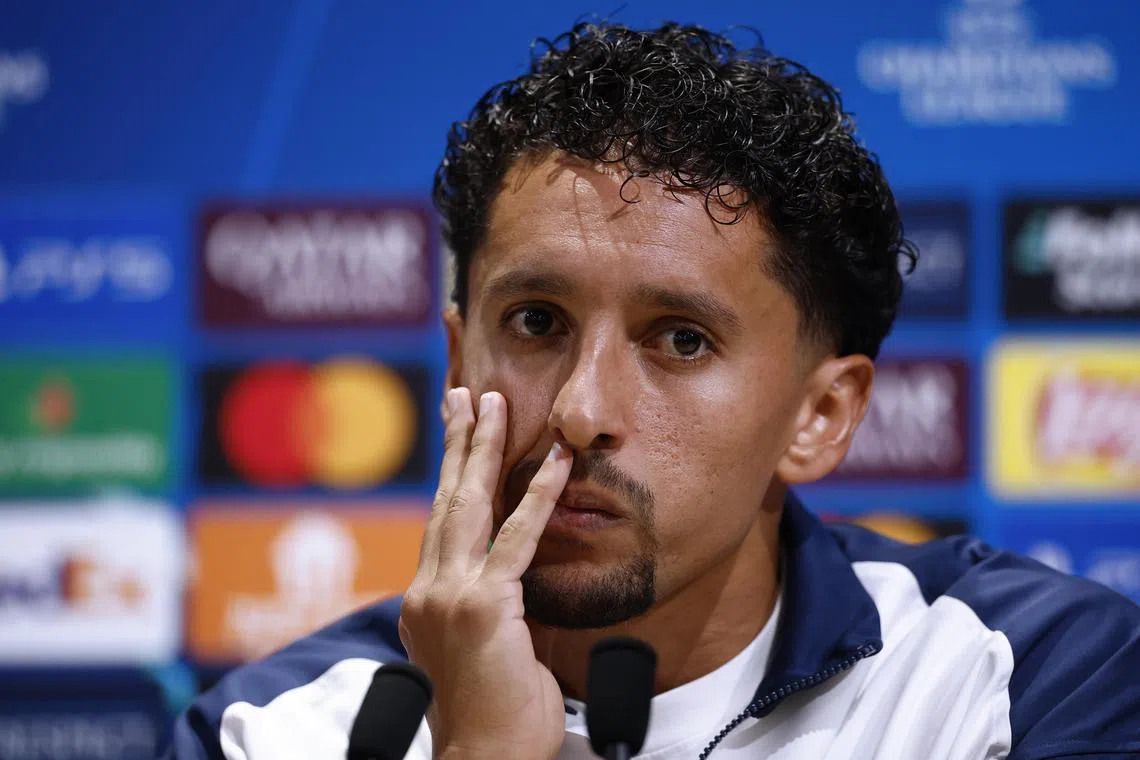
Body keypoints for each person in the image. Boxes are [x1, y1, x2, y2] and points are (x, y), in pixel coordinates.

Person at [165, 21, 1140, 760]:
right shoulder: (271, 729)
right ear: (461, 361)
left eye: (680, 340)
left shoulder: (1019, 674)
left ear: (821, 414)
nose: (581, 411)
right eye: (536, 321)